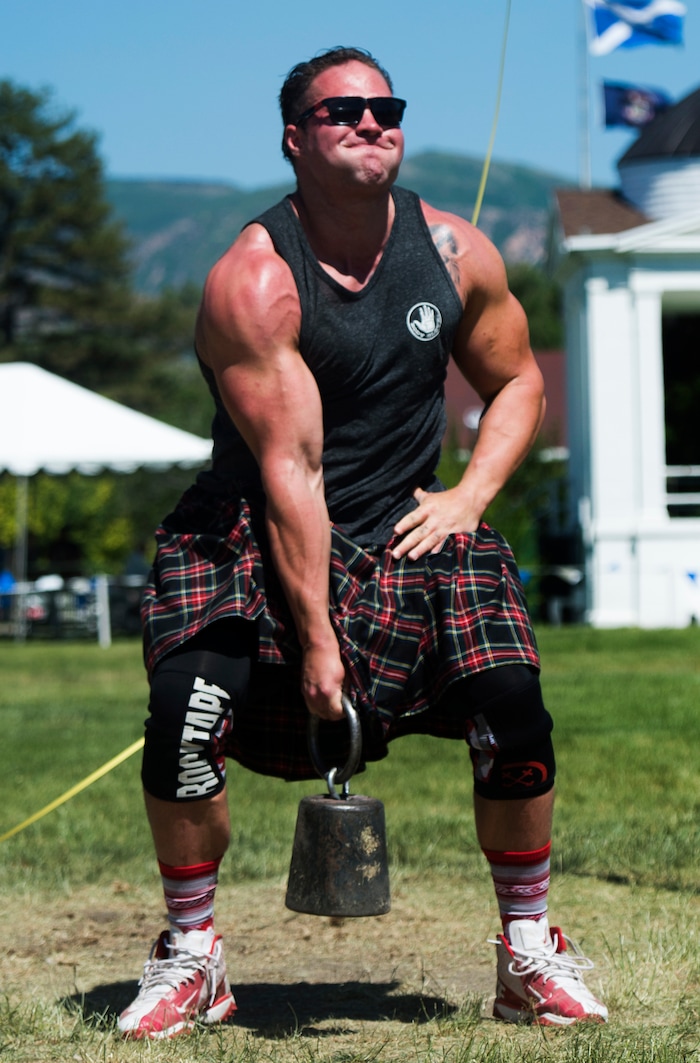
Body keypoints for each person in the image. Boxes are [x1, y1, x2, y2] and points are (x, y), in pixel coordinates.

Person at [118, 46, 607, 1040]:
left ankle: (526, 952)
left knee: (513, 707)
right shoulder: (255, 282)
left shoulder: (459, 252)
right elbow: (291, 473)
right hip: (252, 529)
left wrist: (470, 493)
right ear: (295, 137)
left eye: (385, 106)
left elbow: (517, 382)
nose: (372, 122)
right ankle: (192, 956)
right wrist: (319, 645)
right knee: (184, 716)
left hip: (409, 525)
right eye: (344, 111)